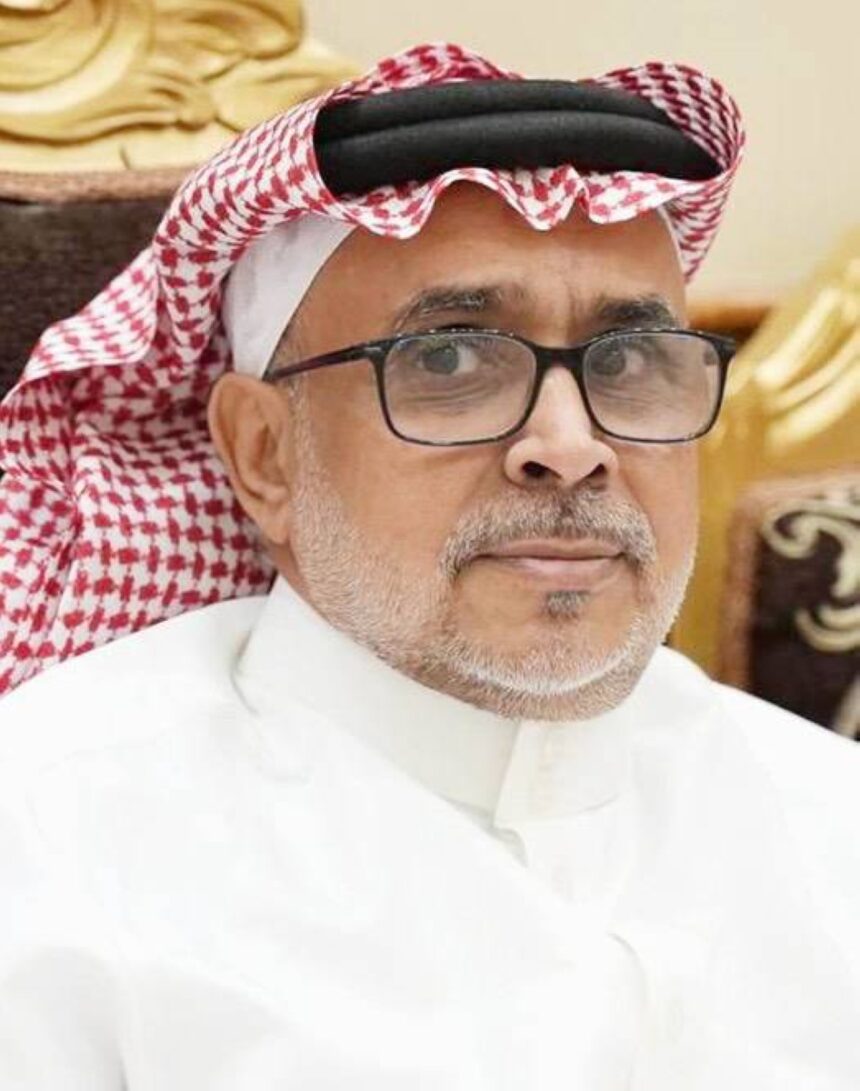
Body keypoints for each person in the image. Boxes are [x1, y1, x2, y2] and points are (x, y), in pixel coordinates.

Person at [1, 42, 858, 1090]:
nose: (569, 444)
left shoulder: (829, 822)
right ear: (263, 454)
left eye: (631, 360)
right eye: (447, 357)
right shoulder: (47, 859)